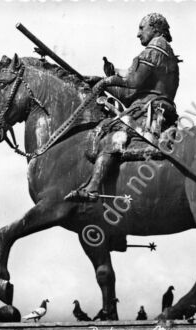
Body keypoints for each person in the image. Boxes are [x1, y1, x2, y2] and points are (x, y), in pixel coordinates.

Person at [65, 13, 180, 202]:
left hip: (148, 112)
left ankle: (93, 187)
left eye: (142, 28)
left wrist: (106, 81)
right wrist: (104, 82)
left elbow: (133, 81)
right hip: (150, 108)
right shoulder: (164, 51)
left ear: (156, 29)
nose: (138, 34)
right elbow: (129, 94)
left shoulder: (155, 48)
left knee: (112, 134)